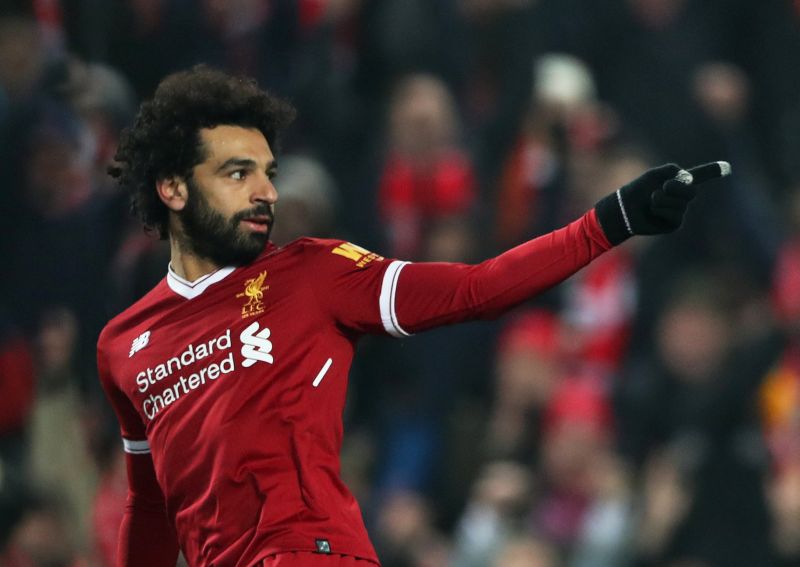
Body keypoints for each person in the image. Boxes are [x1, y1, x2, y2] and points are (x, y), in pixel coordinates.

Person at [97, 64, 728, 566]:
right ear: (173, 188)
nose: (267, 191)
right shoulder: (122, 346)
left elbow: (475, 288)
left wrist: (608, 222)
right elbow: (151, 508)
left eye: (269, 173)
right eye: (238, 173)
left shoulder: (313, 274)